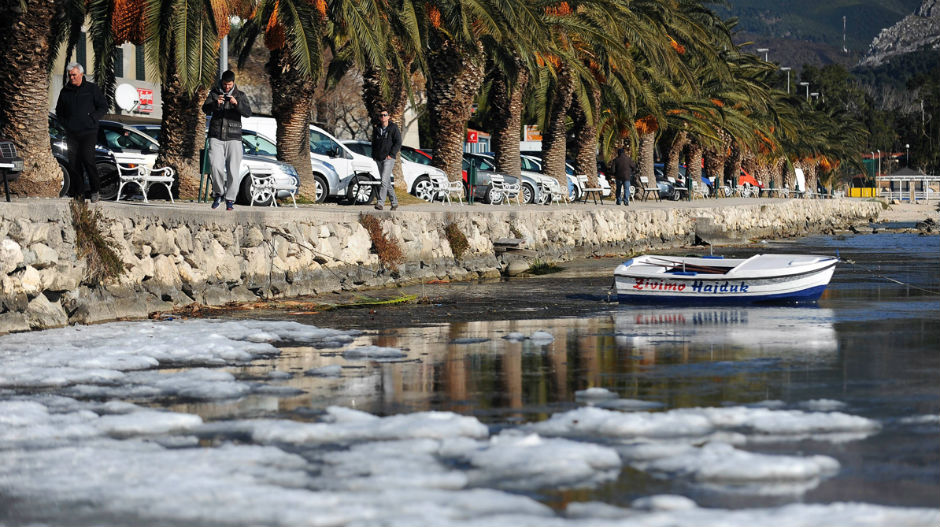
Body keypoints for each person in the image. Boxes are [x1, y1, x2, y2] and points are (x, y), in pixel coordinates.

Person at [55, 63, 108, 203]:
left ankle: (95, 190)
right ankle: (79, 194)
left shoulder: (92, 89)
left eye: (74, 75)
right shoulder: (65, 91)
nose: (71, 77)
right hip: (72, 133)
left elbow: (103, 106)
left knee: (88, 159)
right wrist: (66, 124)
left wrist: (93, 118)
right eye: (70, 75)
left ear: (81, 74)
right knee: (73, 164)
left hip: (88, 132)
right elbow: (59, 112)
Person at [202, 70, 251, 211]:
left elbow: (248, 113)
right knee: (215, 166)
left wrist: (237, 104)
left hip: (234, 138)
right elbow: (205, 108)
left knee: (233, 171)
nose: (227, 87)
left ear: (233, 83)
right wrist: (215, 103)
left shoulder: (240, 95)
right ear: (221, 82)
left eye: (229, 84)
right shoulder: (214, 93)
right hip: (216, 136)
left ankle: (230, 199)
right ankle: (219, 193)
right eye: (225, 84)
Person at [371, 109, 402, 211]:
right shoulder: (377, 129)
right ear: (380, 118)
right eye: (381, 115)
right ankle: (394, 202)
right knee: (387, 183)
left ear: (388, 117)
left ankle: (380, 203)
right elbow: (374, 143)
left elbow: (398, 142)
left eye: (385, 115)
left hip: (388, 159)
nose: (383, 117)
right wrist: (374, 155)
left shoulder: (393, 128)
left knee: (384, 180)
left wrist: (391, 154)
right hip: (379, 158)